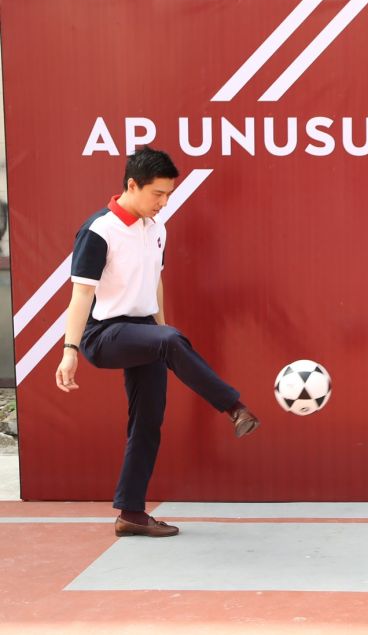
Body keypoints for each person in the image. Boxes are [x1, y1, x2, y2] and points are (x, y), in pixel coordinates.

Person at [55, 147, 260, 538]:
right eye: (157, 194)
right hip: (104, 334)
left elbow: (155, 283)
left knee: (147, 422)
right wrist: (70, 351)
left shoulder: (156, 229)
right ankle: (235, 408)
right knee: (168, 341)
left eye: (168, 195)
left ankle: (131, 514)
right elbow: (81, 295)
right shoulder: (99, 231)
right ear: (132, 185)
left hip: (145, 332)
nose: (164, 202)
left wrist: (161, 334)